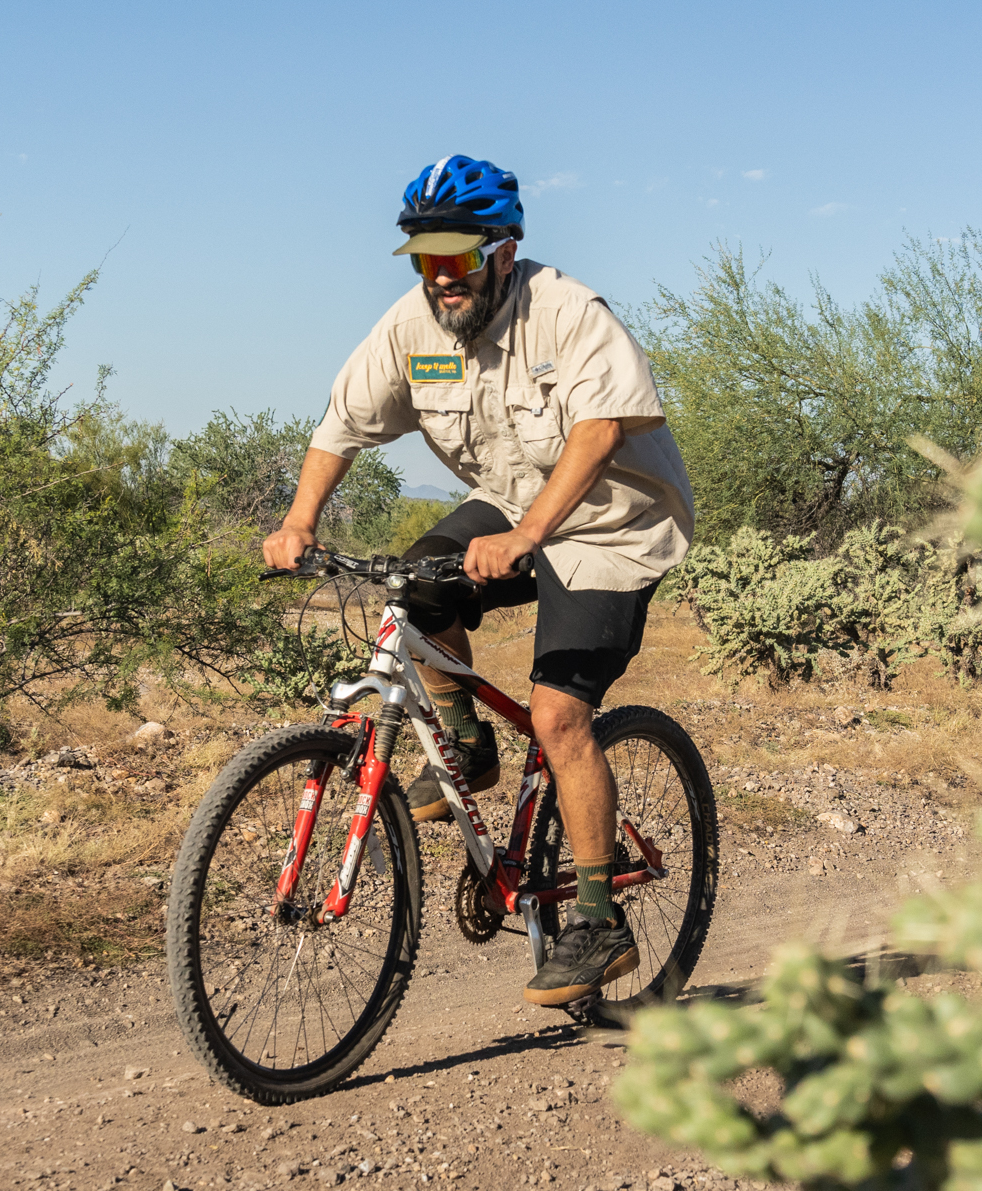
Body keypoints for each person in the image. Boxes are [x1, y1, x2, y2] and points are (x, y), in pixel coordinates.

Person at [263, 154, 695, 1008]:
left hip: (612, 524)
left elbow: (601, 428)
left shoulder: (566, 310)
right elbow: (341, 423)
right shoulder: (411, 328)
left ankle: (601, 919)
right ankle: (464, 741)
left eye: (456, 259)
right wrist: (300, 519)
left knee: (560, 712)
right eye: (425, 261)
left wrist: (532, 534)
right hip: (511, 507)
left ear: (503, 250)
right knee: (416, 592)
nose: (440, 279)